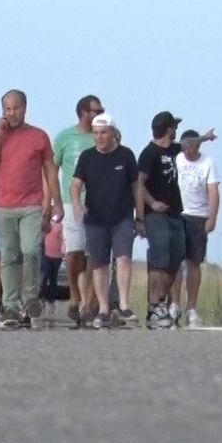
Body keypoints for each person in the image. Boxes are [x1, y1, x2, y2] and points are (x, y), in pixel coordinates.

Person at [0, 89, 61, 327]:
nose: (12, 113)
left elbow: (50, 170)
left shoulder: (38, 136)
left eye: (16, 108)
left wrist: (55, 201)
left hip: (31, 204)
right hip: (2, 205)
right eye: (7, 109)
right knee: (8, 256)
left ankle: (30, 297)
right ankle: (10, 306)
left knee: (31, 251)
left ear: (24, 108)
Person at [72, 114, 138, 329]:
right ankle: (102, 308)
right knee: (99, 263)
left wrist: (141, 216)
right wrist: (76, 204)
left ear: (112, 133)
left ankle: (125, 305)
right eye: (96, 133)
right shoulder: (87, 157)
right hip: (96, 219)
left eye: (103, 133)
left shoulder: (126, 155)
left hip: (122, 216)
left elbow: (136, 187)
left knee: (123, 258)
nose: (99, 137)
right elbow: (75, 185)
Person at [136, 111, 189, 330]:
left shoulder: (175, 149)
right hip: (155, 215)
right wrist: (150, 204)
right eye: (173, 127)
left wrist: (204, 138)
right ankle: (154, 306)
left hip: (176, 213)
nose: (176, 130)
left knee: (176, 258)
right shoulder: (149, 153)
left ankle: (158, 304)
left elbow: (190, 142)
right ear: (168, 129)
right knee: (159, 258)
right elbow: (139, 183)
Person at [53, 95, 102, 328]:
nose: (101, 113)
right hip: (71, 201)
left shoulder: (102, 135)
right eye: (96, 110)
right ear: (84, 112)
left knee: (94, 253)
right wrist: (52, 201)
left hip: (98, 201)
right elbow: (51, 170)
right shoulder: (65, 137)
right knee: (74, 253)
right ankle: (74, 295)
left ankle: (89, 301)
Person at [172, 124, 220, 328]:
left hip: (198, 216)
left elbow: (213, 191)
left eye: (193, 147)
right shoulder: (176, 156)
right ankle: (174, 304)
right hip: (177, 213)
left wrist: (212, 217)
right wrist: (205, 137)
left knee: (193, 262)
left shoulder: (208, 162)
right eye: (186, 147)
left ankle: (192, 306)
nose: (188, 150)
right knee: (175, 261)